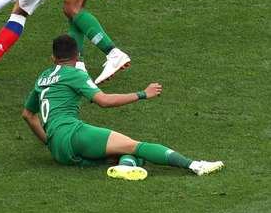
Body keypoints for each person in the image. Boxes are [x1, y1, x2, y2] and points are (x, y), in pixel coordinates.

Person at [22, 35, 224, 180]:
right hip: (73, 134)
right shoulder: (75, 74)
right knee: (136, 146)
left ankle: (126, 167)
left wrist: (49, 141)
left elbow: (28, 115)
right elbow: (104, 101)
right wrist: (143, 94)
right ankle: (195, 165)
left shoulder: (42, 77)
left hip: (59, 150)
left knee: (119, 152)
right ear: (77, 56)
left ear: (53, 58)